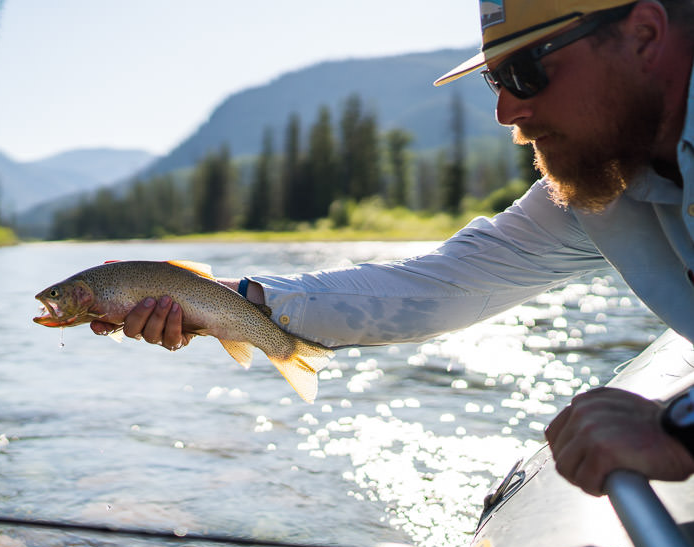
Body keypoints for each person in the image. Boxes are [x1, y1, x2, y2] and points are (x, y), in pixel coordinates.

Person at [90, 0, 694, 497]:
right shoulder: (594, 189)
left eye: (524, 74)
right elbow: (438, 288)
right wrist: (235, 301)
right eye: (494, 80)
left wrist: (678, 427)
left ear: (644, 34)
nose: (505, 111)